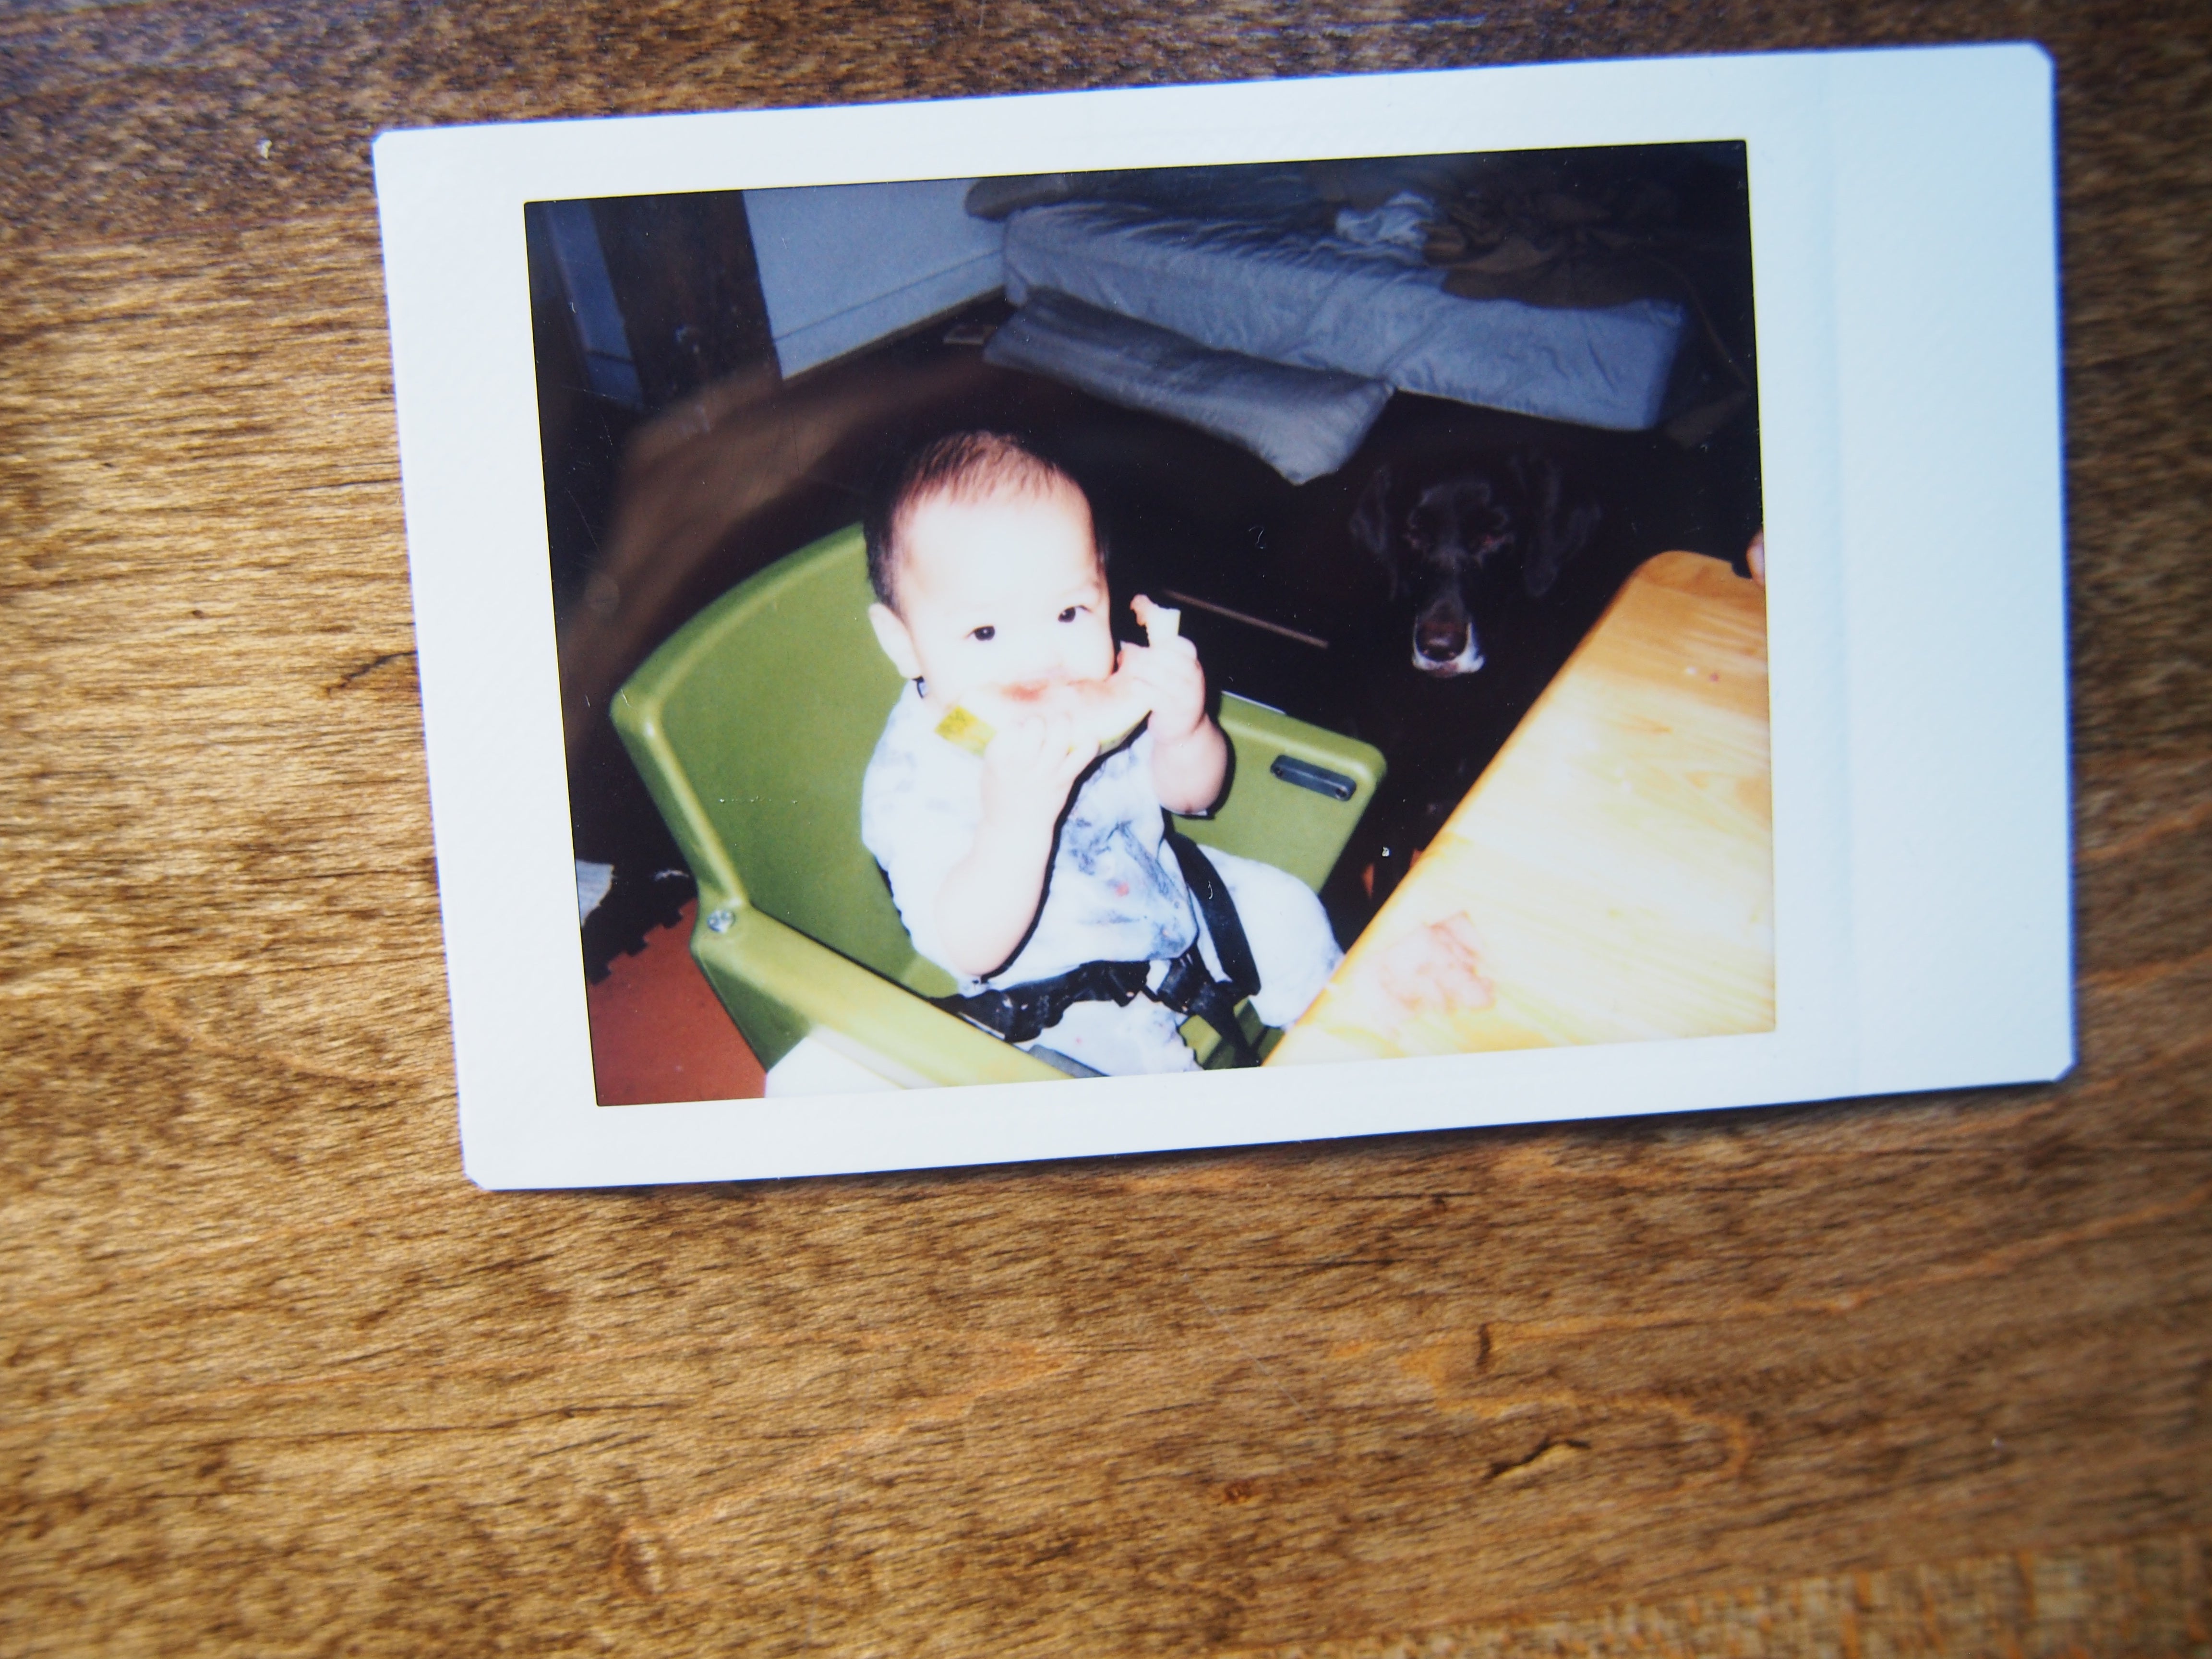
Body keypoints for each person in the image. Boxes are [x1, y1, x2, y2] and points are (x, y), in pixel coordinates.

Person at [859, 431, 1342, 1076]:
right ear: (903, 644)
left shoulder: (1106, 679)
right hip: (1063, 993)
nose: (1041, 660)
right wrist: (1015, 824)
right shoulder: (915, 778)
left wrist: (1185, 728)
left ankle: (1342, 1041)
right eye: (984, 631)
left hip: (1167, 897)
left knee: (1289, 912)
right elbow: (968, 947)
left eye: (1069, 612)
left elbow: (1193, 798)